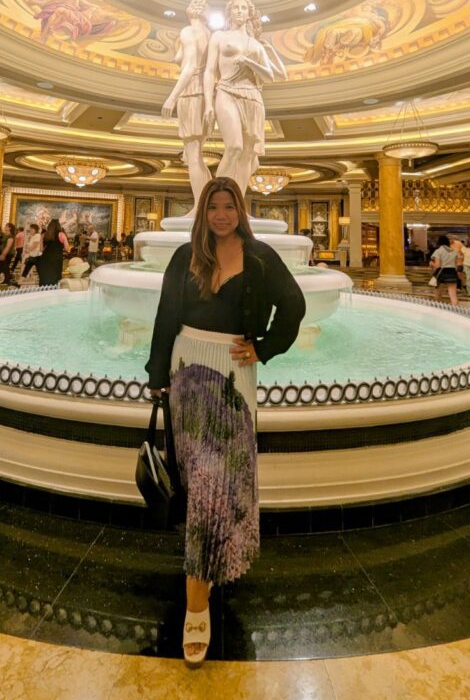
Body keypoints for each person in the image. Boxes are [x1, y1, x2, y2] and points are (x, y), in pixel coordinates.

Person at [146, 177, 305, 667]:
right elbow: (165, 316)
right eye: (212, 206)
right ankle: (203, 587)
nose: (220, 214)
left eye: (228, 205)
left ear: (241, 209)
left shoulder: (260, 257)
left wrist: (266, 347)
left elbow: (294, 306)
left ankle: (200, 600)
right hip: (185, 365)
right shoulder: (184, 256)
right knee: (200, 481)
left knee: (219, 482)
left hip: (235, 371)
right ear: (202, 211)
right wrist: (156, 375)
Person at [203, 0, 280, 197]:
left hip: (253, 96)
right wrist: (208, 104)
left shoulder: (255, 44)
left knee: (247, 154)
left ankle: (238, 203)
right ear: (230, 12)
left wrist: (249, 62)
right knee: (234, 147)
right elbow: (210, 71)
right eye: (235, 7)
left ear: (249, 13)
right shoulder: (219, 36)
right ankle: (216, 199)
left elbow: (270, 76)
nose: (239, 11)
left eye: (243, 8)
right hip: (226, 90)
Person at [161, 0, 213, 212]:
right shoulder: (207, 33)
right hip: (202, 93)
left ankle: (200, 208)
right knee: (196, 154)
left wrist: (171, 97)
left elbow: (190, 66)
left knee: (193, 155)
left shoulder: (189, 32)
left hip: (192, 92)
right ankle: (205, 204)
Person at [430, 234, 461, 305]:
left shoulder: (438, 251)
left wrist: (432, 263)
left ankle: (438, 309)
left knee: (438, 294)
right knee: (453, 295)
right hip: (452, 272)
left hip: (441, 272)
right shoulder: (454, 251)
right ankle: (456, 310)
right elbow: (456, 265)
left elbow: (437, 265)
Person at [37, 218, 69, 286]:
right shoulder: (61, 234)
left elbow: (41, 249)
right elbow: (67, 248)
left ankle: (43, 291)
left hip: (45, 258)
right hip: (56, 258)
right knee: (55, 276)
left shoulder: (44, 235)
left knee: (45, 275)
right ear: (58, 226)